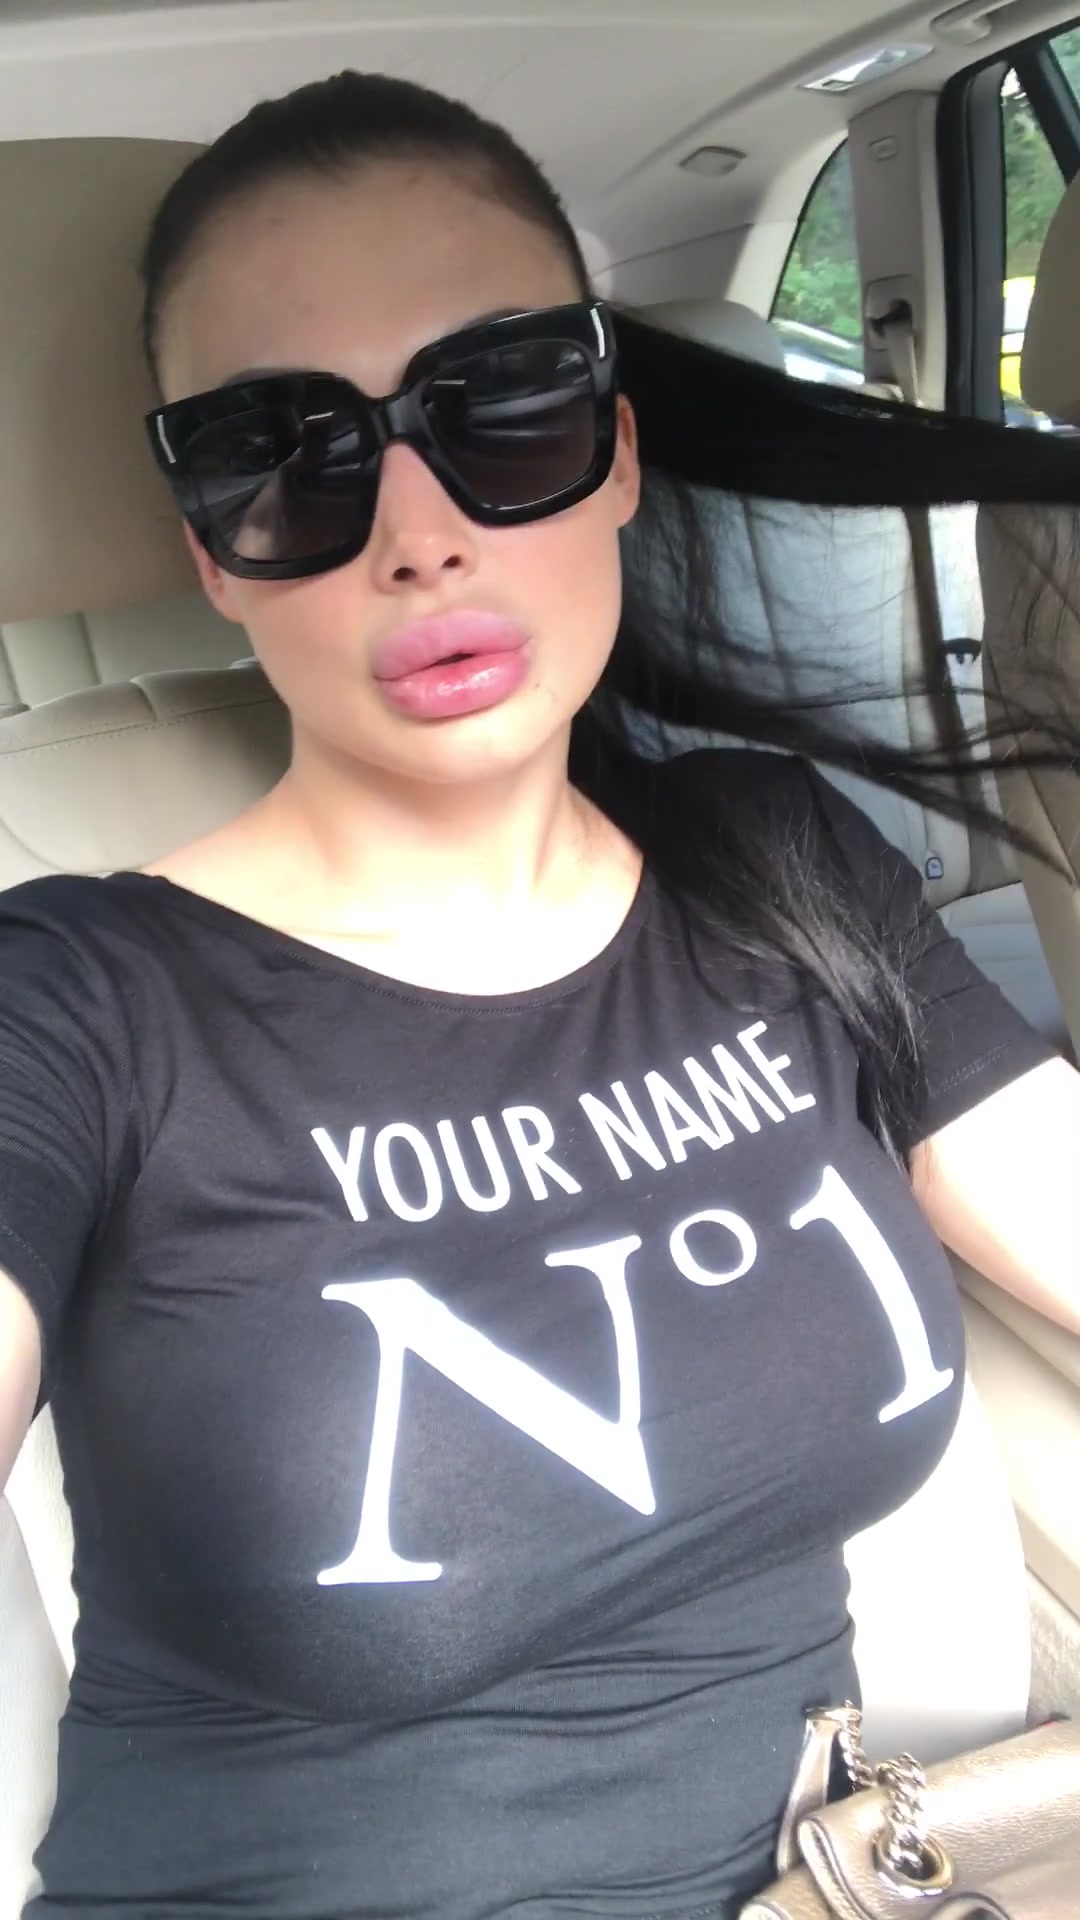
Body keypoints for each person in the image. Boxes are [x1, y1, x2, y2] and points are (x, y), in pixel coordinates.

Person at [2, 68, 1080, 1920]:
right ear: (208, 550)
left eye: (501, 404)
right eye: (286, 452)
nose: (418, 531)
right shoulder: (79, 1001)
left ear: (618, 448)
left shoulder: (774, 861)